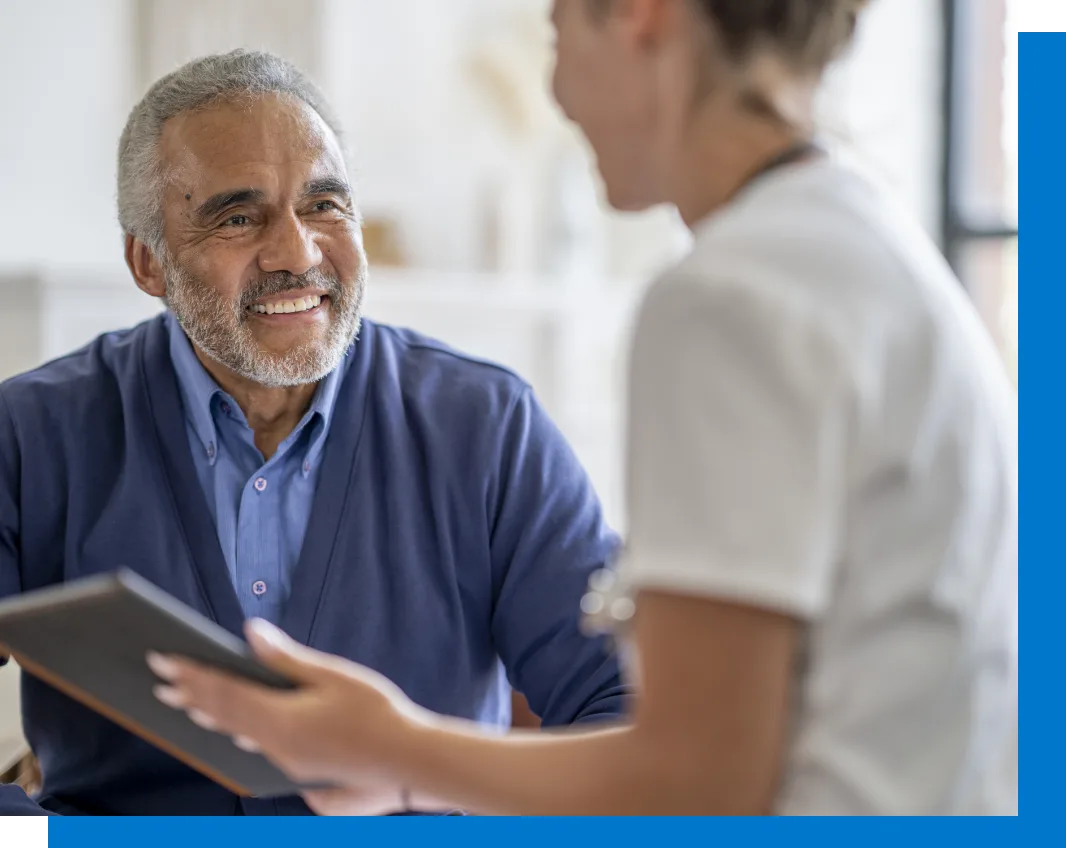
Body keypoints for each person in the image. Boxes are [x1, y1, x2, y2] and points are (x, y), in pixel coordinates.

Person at [153, 0, 1019, 816]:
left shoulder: (732, 296)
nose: (558, 91)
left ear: (642, 17)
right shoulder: (857, 245)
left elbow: (696, 784)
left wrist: (392, 749)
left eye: (560, 29)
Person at [0, 49, 629, 816]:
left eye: (326, 205)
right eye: (238, 217)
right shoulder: (30, 434)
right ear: (149, 263)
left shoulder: (489, 427)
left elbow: (624, 712)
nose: (298, 253)